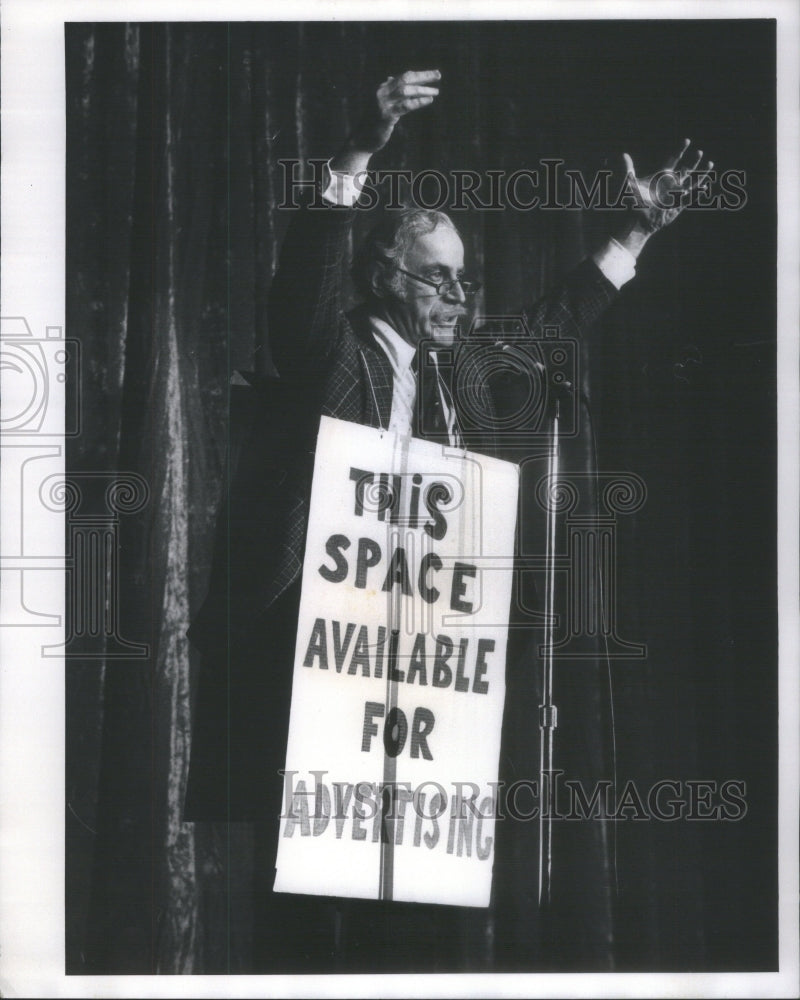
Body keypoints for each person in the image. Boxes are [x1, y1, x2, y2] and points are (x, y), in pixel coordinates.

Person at [184, 69, 710, 971]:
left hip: (429, 671)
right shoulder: (332, 347)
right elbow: (307, 268)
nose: (459, 298)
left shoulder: (465, 370)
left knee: (417, 895)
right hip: (319, 656)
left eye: (464, 282)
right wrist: (363, 141)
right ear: (387, 275)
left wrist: (632, 233)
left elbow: (554, 323)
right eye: (439, 279)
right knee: (311, 896)